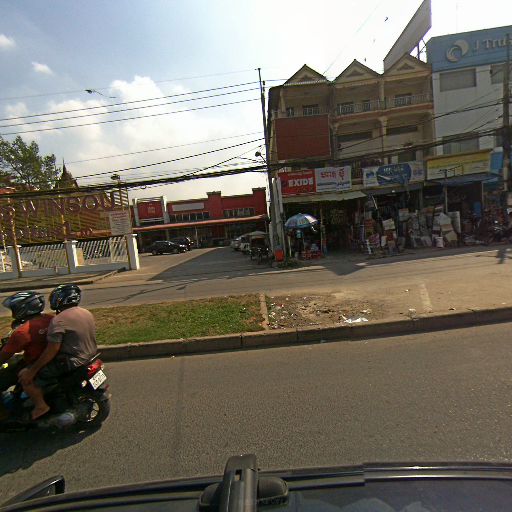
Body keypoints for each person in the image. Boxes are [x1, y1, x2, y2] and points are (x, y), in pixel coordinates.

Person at [18, 284, 97, 420]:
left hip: (71, 361)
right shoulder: (86, 312)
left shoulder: (58, 320)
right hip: (89, 355)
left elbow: (51, 350)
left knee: (25, 375)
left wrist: (32, 371)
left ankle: (41, 406)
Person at [0, 291, 52, 394]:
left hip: (35, 364)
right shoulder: (50, 318)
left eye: (14, 308)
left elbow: (4, 355)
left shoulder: (23, 331)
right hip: (50, 360)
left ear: (23, 308)